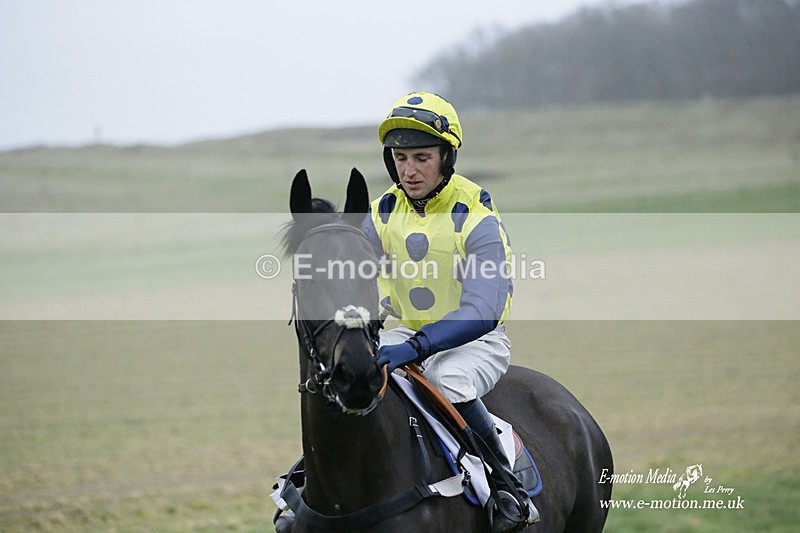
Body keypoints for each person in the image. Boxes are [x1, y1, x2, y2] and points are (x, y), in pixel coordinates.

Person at [364, 92, 539, 533]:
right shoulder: (382, 211)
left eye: (421, 157)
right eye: (401, 157)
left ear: (447, 157)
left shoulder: (475, 210)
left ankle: (505, 487)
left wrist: (417, 347)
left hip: (476, 341)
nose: (409, 169)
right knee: (348, 380)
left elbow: (483, 308)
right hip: (403, 333)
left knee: (447, 381)